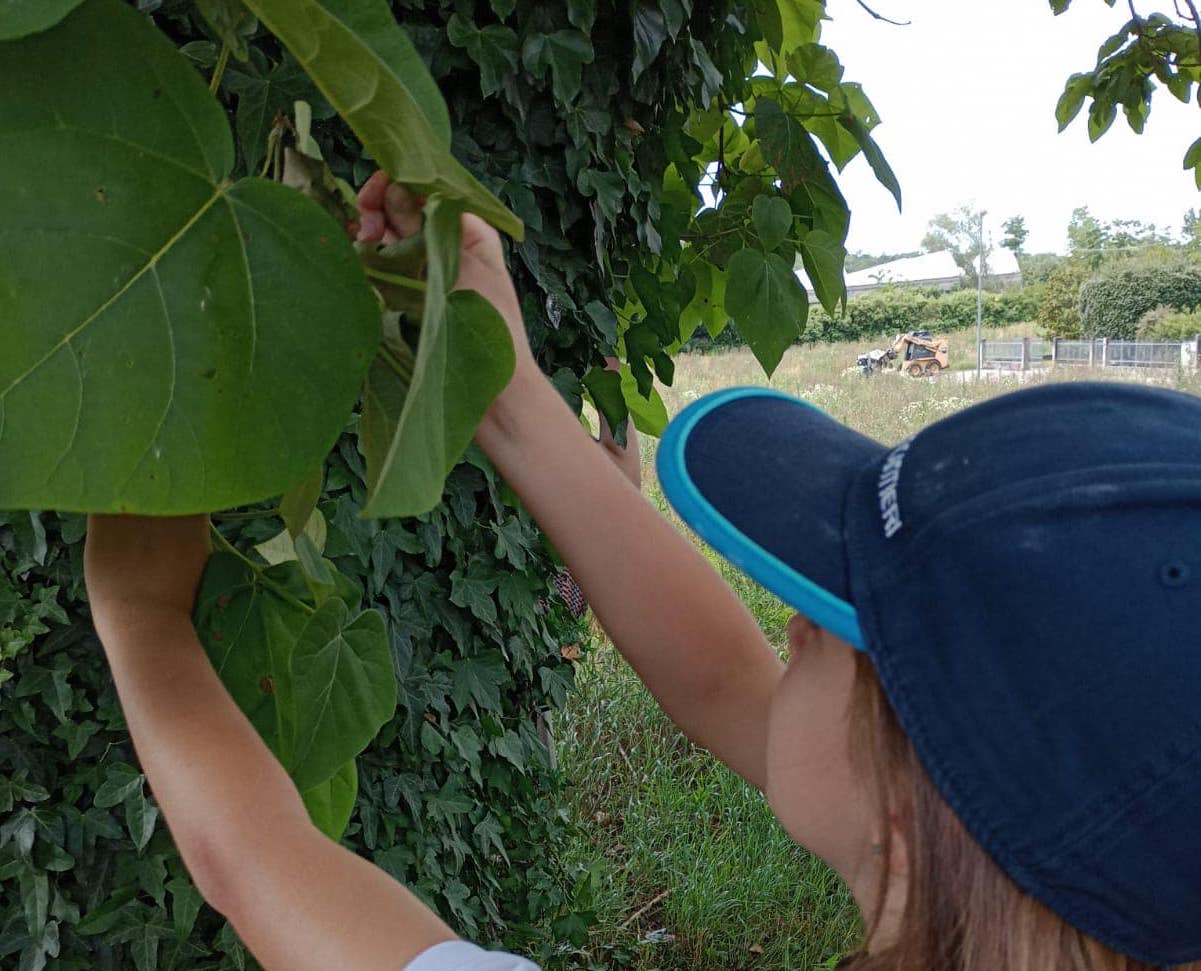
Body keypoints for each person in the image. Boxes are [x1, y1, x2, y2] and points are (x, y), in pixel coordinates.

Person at [81, 173, 1201, 971]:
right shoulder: (1039, 886)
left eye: (825, 625)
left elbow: (252, 860)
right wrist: (508, 393)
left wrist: (138, 614)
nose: (785, 637)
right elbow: (726, 685)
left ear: (910, 813)